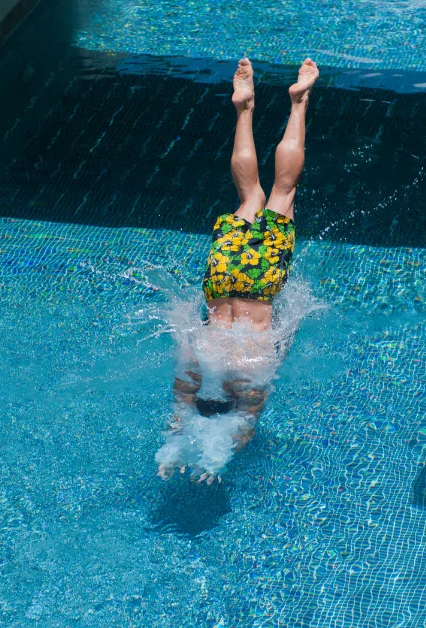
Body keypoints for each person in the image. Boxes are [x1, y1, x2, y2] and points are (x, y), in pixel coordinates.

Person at [156, 57, 319, 483]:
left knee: (283, 190)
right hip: (223, 277)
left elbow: (245, 425)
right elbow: (178, 414)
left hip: (259, 284)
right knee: (250, 194)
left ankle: (299, 103)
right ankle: (243, 108)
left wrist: (214, 459)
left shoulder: (251, 375)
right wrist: (171, 447)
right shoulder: (194, 365)